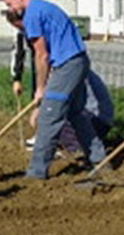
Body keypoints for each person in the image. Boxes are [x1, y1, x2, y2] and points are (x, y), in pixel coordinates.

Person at [0, 0, 106, 179]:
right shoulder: (45, 7)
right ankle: (99, 160)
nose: (10, 8)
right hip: (79, 61)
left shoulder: (31, 15)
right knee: (75, 113)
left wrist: (40, 88)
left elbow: (42, 55)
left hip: (66, 65)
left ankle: (36, 173)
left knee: (48, 118)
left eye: (9, 4)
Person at [7, 9, 114, 154]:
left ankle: (75, 148)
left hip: (95, 118)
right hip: (90, 116)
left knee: (52, 120)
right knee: (49, 119)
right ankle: (62, 142)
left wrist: (40, 112)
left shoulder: (68, 70)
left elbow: (63, 102)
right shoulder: (64, 66)